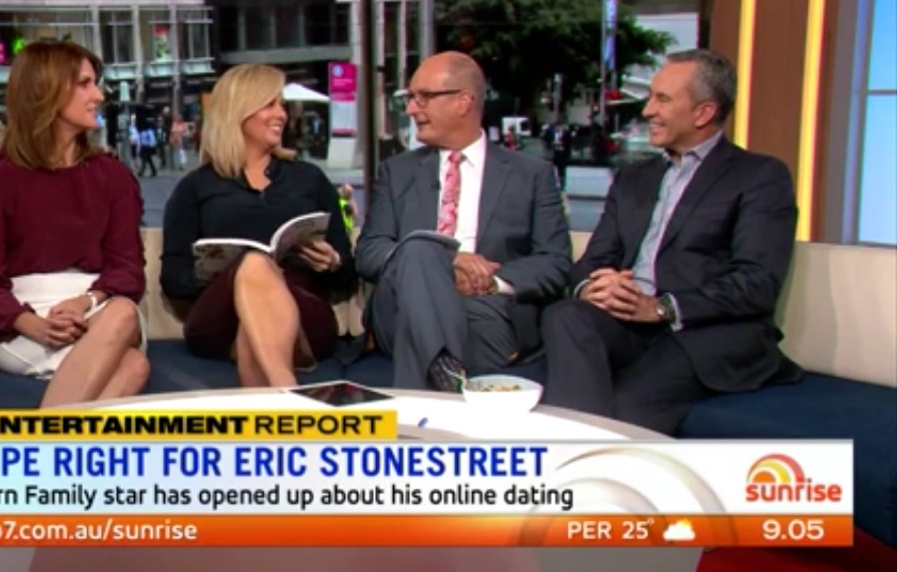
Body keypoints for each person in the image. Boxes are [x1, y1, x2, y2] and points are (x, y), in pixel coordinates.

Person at [541, 49, 802, 435]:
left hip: (705, 331)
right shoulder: (634, 178)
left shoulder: (760, 177)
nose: (647, 110)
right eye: (651, 97)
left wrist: (661, 307)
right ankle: (582, 458)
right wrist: (594, 288)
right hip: (629, 322)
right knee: (565, 315)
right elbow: (594, 259)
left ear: (703, 113)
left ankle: (590, 460)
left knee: (628, 402)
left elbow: (757, 282)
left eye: (662, 99)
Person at [354, 52, 572, 390]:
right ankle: (445, 373)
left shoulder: (532, 175)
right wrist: (444, 262)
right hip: (396, 306)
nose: (411, 109)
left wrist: (489, 282)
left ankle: (442, 374)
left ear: (463, 101)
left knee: (422, 325)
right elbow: (369, 251)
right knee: (421, 249)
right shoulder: (396, 172)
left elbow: (554, 262)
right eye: (410, 98)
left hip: (486, 310)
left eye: (423, 97)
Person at [0, 41, 149, 408]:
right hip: (22, 318)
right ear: (47, 91)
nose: (98, 96)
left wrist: (85, 301)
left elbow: (127, 268)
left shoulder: (112, 176)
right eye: (84, 84)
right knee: (133, 365)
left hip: (99, 307)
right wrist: (30, 323)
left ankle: (43, 436)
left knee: (123, 314)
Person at [160, 64, 356, 388]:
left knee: (251, 333)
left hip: (305, 315)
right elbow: (172, 280)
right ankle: (288, 391)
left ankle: (279, 392)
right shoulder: (195, 187)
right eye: (269, 104)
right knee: (253, 264)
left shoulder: (309, 178)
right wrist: (221, 271)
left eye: (282, 104)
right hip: (218, 319)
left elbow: (348, 274)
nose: (282, 114)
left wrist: (333, 262)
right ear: (237, 111)